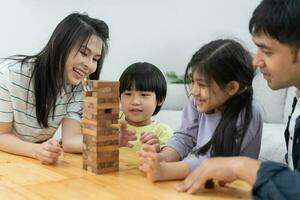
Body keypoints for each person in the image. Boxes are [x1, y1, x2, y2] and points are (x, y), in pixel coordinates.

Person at [175, 0, 300, 198]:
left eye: (266, 51)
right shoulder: (297, 106)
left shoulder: (249, 113)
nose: (256, 62)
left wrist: (242, 166)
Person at [138, 39, 263, 182]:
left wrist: (166, 171)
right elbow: (184, 137)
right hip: (203, 181)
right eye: (193, 81)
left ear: (231, 88)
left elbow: (215, 161)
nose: (194, 91)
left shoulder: (249, 113)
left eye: (202, 85)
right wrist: (163, 158)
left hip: (236, 188)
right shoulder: (197, 101)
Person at [0, 13, 109, 165]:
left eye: (95, 59)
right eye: (84, 53)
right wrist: (36, 150)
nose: (89, 65)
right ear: (58, 43)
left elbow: (70, 141)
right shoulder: (10, 74)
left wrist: (110, 138)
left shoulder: (77, 88)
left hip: (32, 162)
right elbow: (1, 135)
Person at [118, 62, 173, 151]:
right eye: (128, 94)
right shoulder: (112, 121)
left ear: (160, 99)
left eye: (143, 95)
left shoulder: (163, 132)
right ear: (119, 97)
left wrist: (158, 152)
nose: (135, 101)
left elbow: (168, 160)